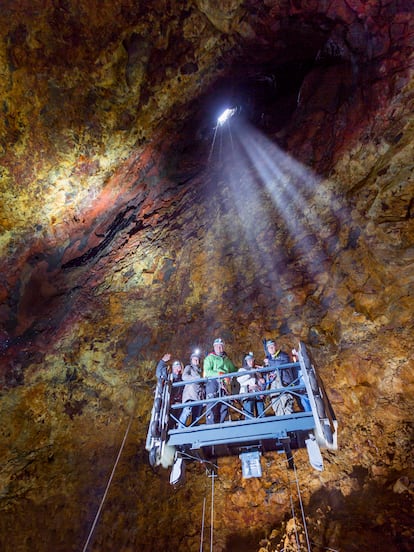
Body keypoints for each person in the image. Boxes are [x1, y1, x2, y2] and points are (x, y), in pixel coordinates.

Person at [203, 337, 236, 424]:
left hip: (224, 384)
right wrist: (219, 374)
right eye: (217, 346)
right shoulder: (210, 358)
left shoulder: (226, 360)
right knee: (212, 403)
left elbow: (233, 370)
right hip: (213, 382)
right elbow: (207, 371)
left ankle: (221, 423)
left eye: (221, 346)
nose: (219, 348)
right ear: (214, 347)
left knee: (224, 404)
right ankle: (210, 424)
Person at [264, 339, 296, 416]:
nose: (271, 348)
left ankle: (291, 422)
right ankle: (281, 421)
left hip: (283, 382)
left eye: (272, 346)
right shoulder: (268, 359)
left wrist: (270, 362)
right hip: (273, 384)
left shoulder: (283, 355)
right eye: (269, 347)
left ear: (276, 346)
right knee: (276, 403)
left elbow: (282, 363)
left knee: (286, 402)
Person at [178, 351, 204, 428]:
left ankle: (194, 428)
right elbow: (184, 377)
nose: (196, 361)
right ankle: (180, 428)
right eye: (194, 359)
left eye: (197, 359)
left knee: (196, 415)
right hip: (190, 395)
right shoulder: (189, 367)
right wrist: (196, 378)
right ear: (191, 360)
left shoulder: (201, 371)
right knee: (187, 412)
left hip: (199, 396)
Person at [237, 353, 265, 419]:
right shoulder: (242, 370)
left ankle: (263, 425)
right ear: (246, 361)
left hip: (257, 392)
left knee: (261, 411)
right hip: (247, 393)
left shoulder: (256, 370)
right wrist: (250, 372)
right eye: (249, 360)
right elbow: (239, 379)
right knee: (249, 413)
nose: (251, 362)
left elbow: (260, 382)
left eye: (252, 360)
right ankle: (249, 426)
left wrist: (261, 382)